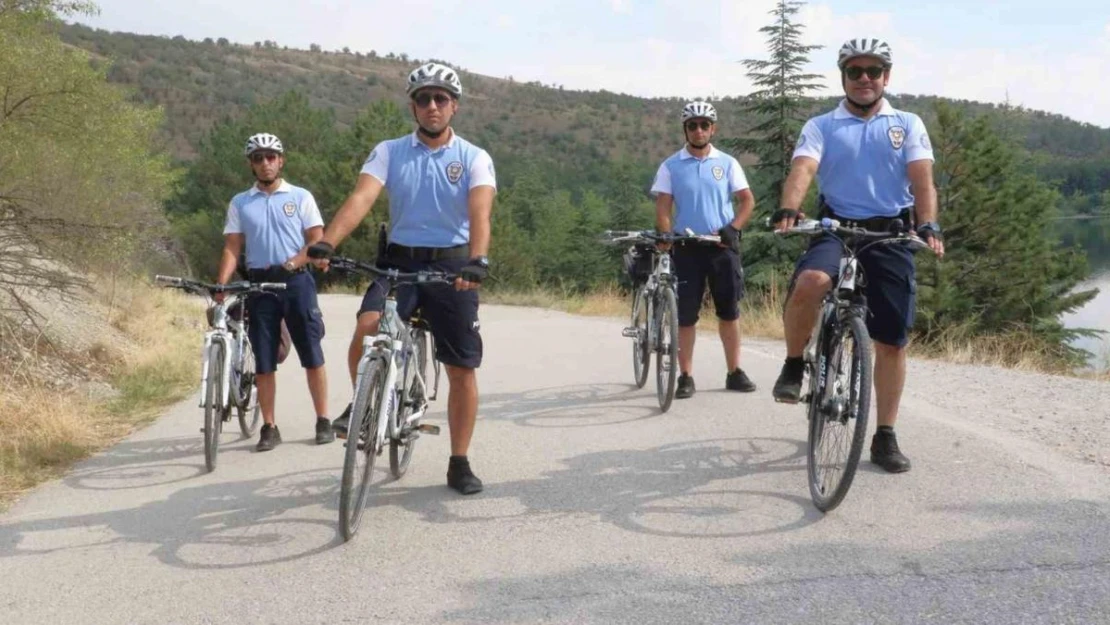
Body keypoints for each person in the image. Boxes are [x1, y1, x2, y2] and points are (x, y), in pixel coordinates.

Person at [307, 62, 496, 495]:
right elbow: (362, 197)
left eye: (441, 99)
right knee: (367, 327)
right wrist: (328, 242)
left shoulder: (473, 157)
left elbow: (480, 213)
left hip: (452, 265)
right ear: (413, 106)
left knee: (461, 368)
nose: (432, 106)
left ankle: (459, 461)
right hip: (400, 264)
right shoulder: (390, 151)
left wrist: (478, 260)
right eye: (424, 99)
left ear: (454, 107)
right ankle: (367, 406)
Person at [771, 38, 945, 473]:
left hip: (889, 232)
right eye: (855, 71)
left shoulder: (907, 122)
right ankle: (794, 365)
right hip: (838, 227)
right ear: (843, 76)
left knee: (891, 341)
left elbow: (922, 179)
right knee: (811, 282)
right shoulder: (822, 125)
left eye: (873, 71)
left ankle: (884, 435)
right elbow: (803, 169)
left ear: (886, 76)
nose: (864, 78)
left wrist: (929, 223)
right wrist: (790, 206)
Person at [216, 132, 334, 452]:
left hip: (296, 282)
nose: (265, 163)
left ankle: (323, 419)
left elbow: (316, 239)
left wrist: (296, 261)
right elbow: (231, 247)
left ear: (281, 160)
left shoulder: (300, 196)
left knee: (311, 352)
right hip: (259, 284)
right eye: (258, 158)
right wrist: (221, 284)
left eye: (271, 157)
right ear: (251, 165)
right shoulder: (241, 202)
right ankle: (269, 425)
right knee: (264, 359)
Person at [650, 100, 757, 399]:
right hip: (687, 248)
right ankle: (686, 375)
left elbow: (747, 200)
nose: (699, 130)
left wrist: (733, 227)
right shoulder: (671, 165)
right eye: (693, 125)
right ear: (685, 129)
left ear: (713, 129)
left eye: (704, 125)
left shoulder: (728, 163)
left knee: (729, 312)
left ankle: (734, 371)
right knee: (685, 316)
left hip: (722, 246)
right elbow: (663, 206)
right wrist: (665, 233)